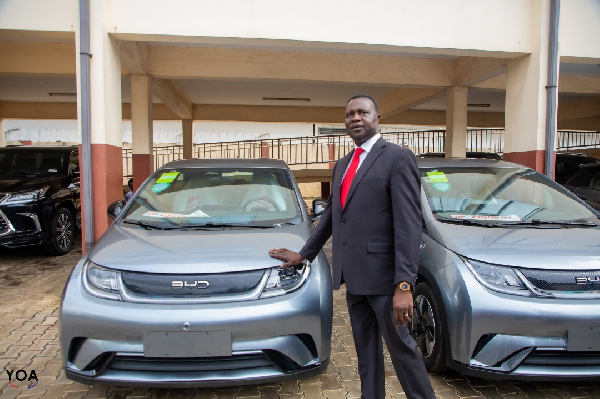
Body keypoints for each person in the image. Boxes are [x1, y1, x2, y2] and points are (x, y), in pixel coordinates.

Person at [269, 94, 434, 399]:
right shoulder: (344, 164)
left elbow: (409, 226)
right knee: (366, 356)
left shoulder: (397, 158)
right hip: (355, 280)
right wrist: (304, 253)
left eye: (362, 112)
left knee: (403, 352)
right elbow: (333, 214)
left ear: (377, 118)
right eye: (349, 114)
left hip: (387, 283)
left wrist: (404, 286)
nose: (355, 118)